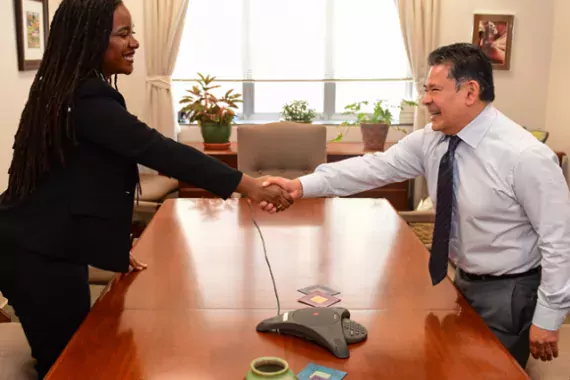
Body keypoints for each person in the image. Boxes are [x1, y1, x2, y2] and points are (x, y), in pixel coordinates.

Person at [0, 0, 291, 378]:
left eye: (132, 31)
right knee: (73, 364)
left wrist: (108, 244)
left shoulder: (63, 89)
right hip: (36, 258)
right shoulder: (88, 99)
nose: (134, 42)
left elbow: (70, 188)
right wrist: (248, 185)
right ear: (89, 39)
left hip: (32, 243)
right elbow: (156, 149)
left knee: (85, 352)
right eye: (123, 34)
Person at [261, 43, 570, 369]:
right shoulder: (432, 139)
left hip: (512, 292)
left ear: (470, 91)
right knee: (452, 364)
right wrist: (301, 186)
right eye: (426, 90)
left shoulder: (525, 156)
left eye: (435, 90)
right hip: (462, 279)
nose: (425, 100)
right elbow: (372, 168)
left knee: (493, 372)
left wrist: (548, 317)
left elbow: (560, 239)